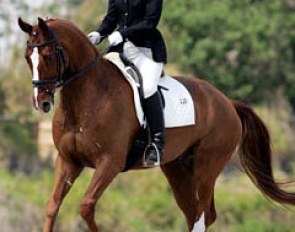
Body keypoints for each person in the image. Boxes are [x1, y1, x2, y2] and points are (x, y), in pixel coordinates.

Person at [88, 0, 167, 166]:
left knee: (147, 88)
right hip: (121, 50)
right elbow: (111, 19)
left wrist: (123, 34)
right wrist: (99, 33)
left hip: (147, 52)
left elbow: (150, 22)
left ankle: (157, 144)